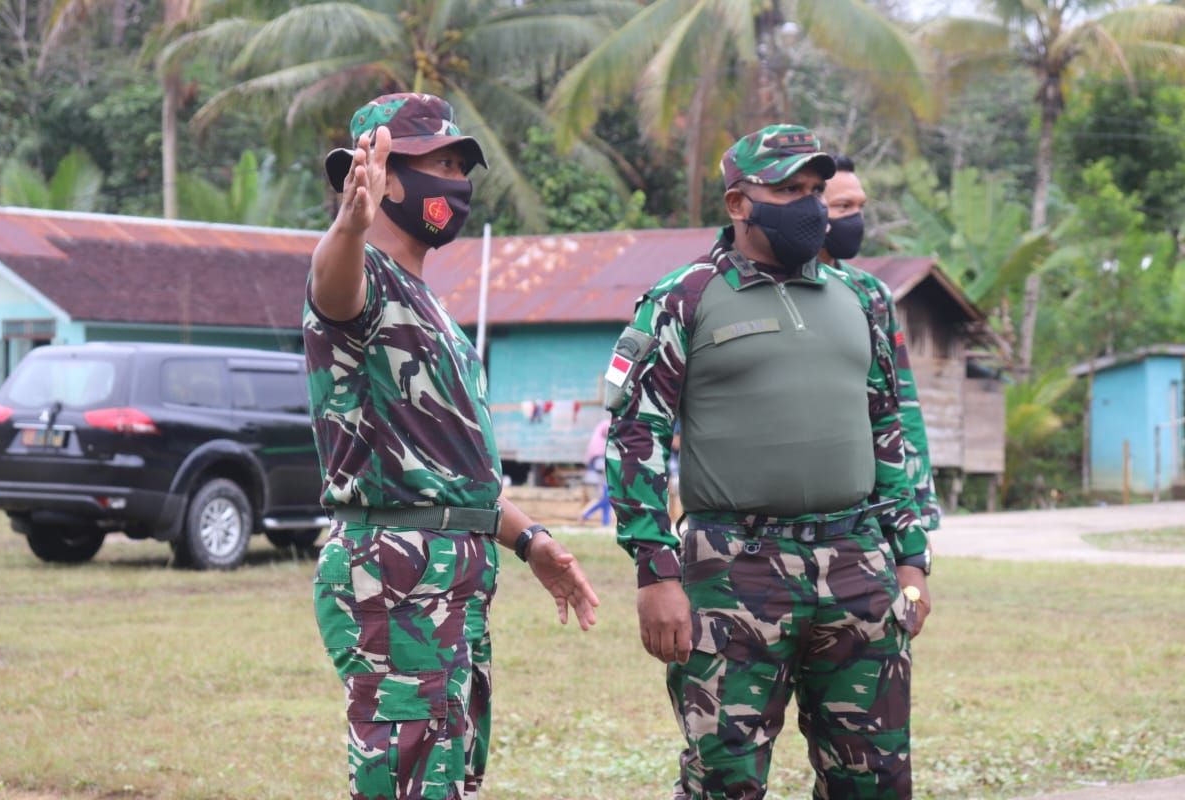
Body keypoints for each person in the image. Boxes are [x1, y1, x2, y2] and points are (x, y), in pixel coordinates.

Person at [605, 124, 932, 800]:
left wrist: (910, 556)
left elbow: (887, 426)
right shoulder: (684, 296)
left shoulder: (862, 298)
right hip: (733, 568)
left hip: (858, 564)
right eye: (788, 190)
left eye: (816, 191)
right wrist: (654, 570)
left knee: (875, 780)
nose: (810, 207)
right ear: (737, 203)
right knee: (724, 780)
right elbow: (636, 432)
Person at [304, 92, 599, 800]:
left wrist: (532, 543)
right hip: (396, 574)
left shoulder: (429, 302)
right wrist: (351, 224)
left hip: (451, 579)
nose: (456, 182)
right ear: (377, 175)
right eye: (436, 163)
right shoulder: (362, 277)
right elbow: (330, 286)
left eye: (461, 165)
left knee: (449, 779)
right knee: (406, 785)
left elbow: (449, 471)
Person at [819, 155, 942, 531]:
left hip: (866, 500)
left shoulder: (870, 293)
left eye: (860, 207)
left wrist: (918, 508)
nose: (855, 219)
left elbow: (901, 401)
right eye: (843, 207)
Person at [580, 416, 612, 524]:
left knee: (608, 500)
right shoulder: (600, 447)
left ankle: (605, 523)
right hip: (601, 480)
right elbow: (601, 468)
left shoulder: (599, 445)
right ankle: (586, 514)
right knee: (606, 499)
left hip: (603, 480)